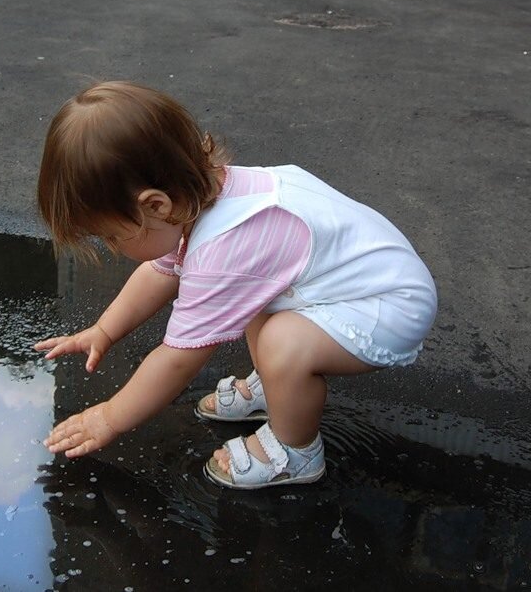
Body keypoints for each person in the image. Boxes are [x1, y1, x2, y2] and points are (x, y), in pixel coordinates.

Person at [34, 81, 437, 489]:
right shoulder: (205, 196)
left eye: (112, 237)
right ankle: (277, 388)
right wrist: (105, 330)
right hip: (359, 286)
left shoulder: (223, 249)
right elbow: (160, 272)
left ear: (156, 205)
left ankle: (294, 451)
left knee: (283, 342)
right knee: (258, 303)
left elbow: (178, 358)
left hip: (388, 308)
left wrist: (110, 416)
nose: (112, 249)